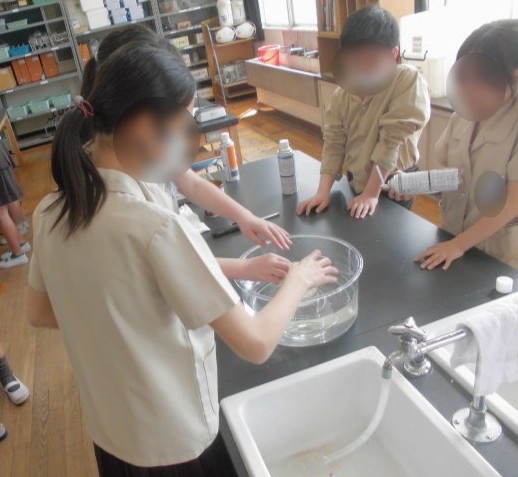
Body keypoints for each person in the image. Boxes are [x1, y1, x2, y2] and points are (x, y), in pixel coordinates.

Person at [27, 42, 338, 476]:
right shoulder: (155, 227)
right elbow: (255, 343)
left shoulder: (48, 212)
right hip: (173, 441)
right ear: (145, 127)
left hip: (110, 434)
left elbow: (42, 311)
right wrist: (299, 279)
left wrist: (122, 319)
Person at [81, 24, 291, 252]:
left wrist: (244, 216)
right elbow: (164, 262)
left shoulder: (138, 148)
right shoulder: (119, 198)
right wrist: (246, 267)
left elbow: (189, 181)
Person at [297, 6, 430, 219]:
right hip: (357, 179)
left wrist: (371, 194)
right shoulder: (342, 95)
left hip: (392, 182)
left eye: (370, 59)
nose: (361, 66)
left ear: (393, 55)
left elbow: (390, 142)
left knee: (390, 232)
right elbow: (333, 143)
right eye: (353, 58)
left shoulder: (406, 80)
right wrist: (323, 192)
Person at [413, 20, 518, 270]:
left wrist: (459, 245)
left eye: (483, 77)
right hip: (452, 235)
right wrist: (413, 183)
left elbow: (511, 203)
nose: (469, 88)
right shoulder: (465, 112)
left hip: (497, 255)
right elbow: (456, 176)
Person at [0, 140, 30, 268]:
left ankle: (18, 254)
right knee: (7, 203)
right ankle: (21, 243)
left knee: (1, 212)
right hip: (2, 159)